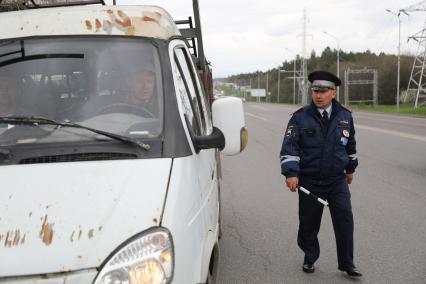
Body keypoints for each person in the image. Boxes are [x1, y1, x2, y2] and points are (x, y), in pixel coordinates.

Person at [279, 70, 362, 278]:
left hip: (336, 180)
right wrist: (291, 174)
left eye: (323, 91)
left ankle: (347, 264)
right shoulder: (300, 117)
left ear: (333, 93)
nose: (318, 95)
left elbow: (350, 145)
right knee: (309, 223)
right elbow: (290, 147)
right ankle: (309, 256)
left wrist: (350, 169)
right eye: (315, 90)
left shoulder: (345, 116)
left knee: (345, 220)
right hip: (310, 180)